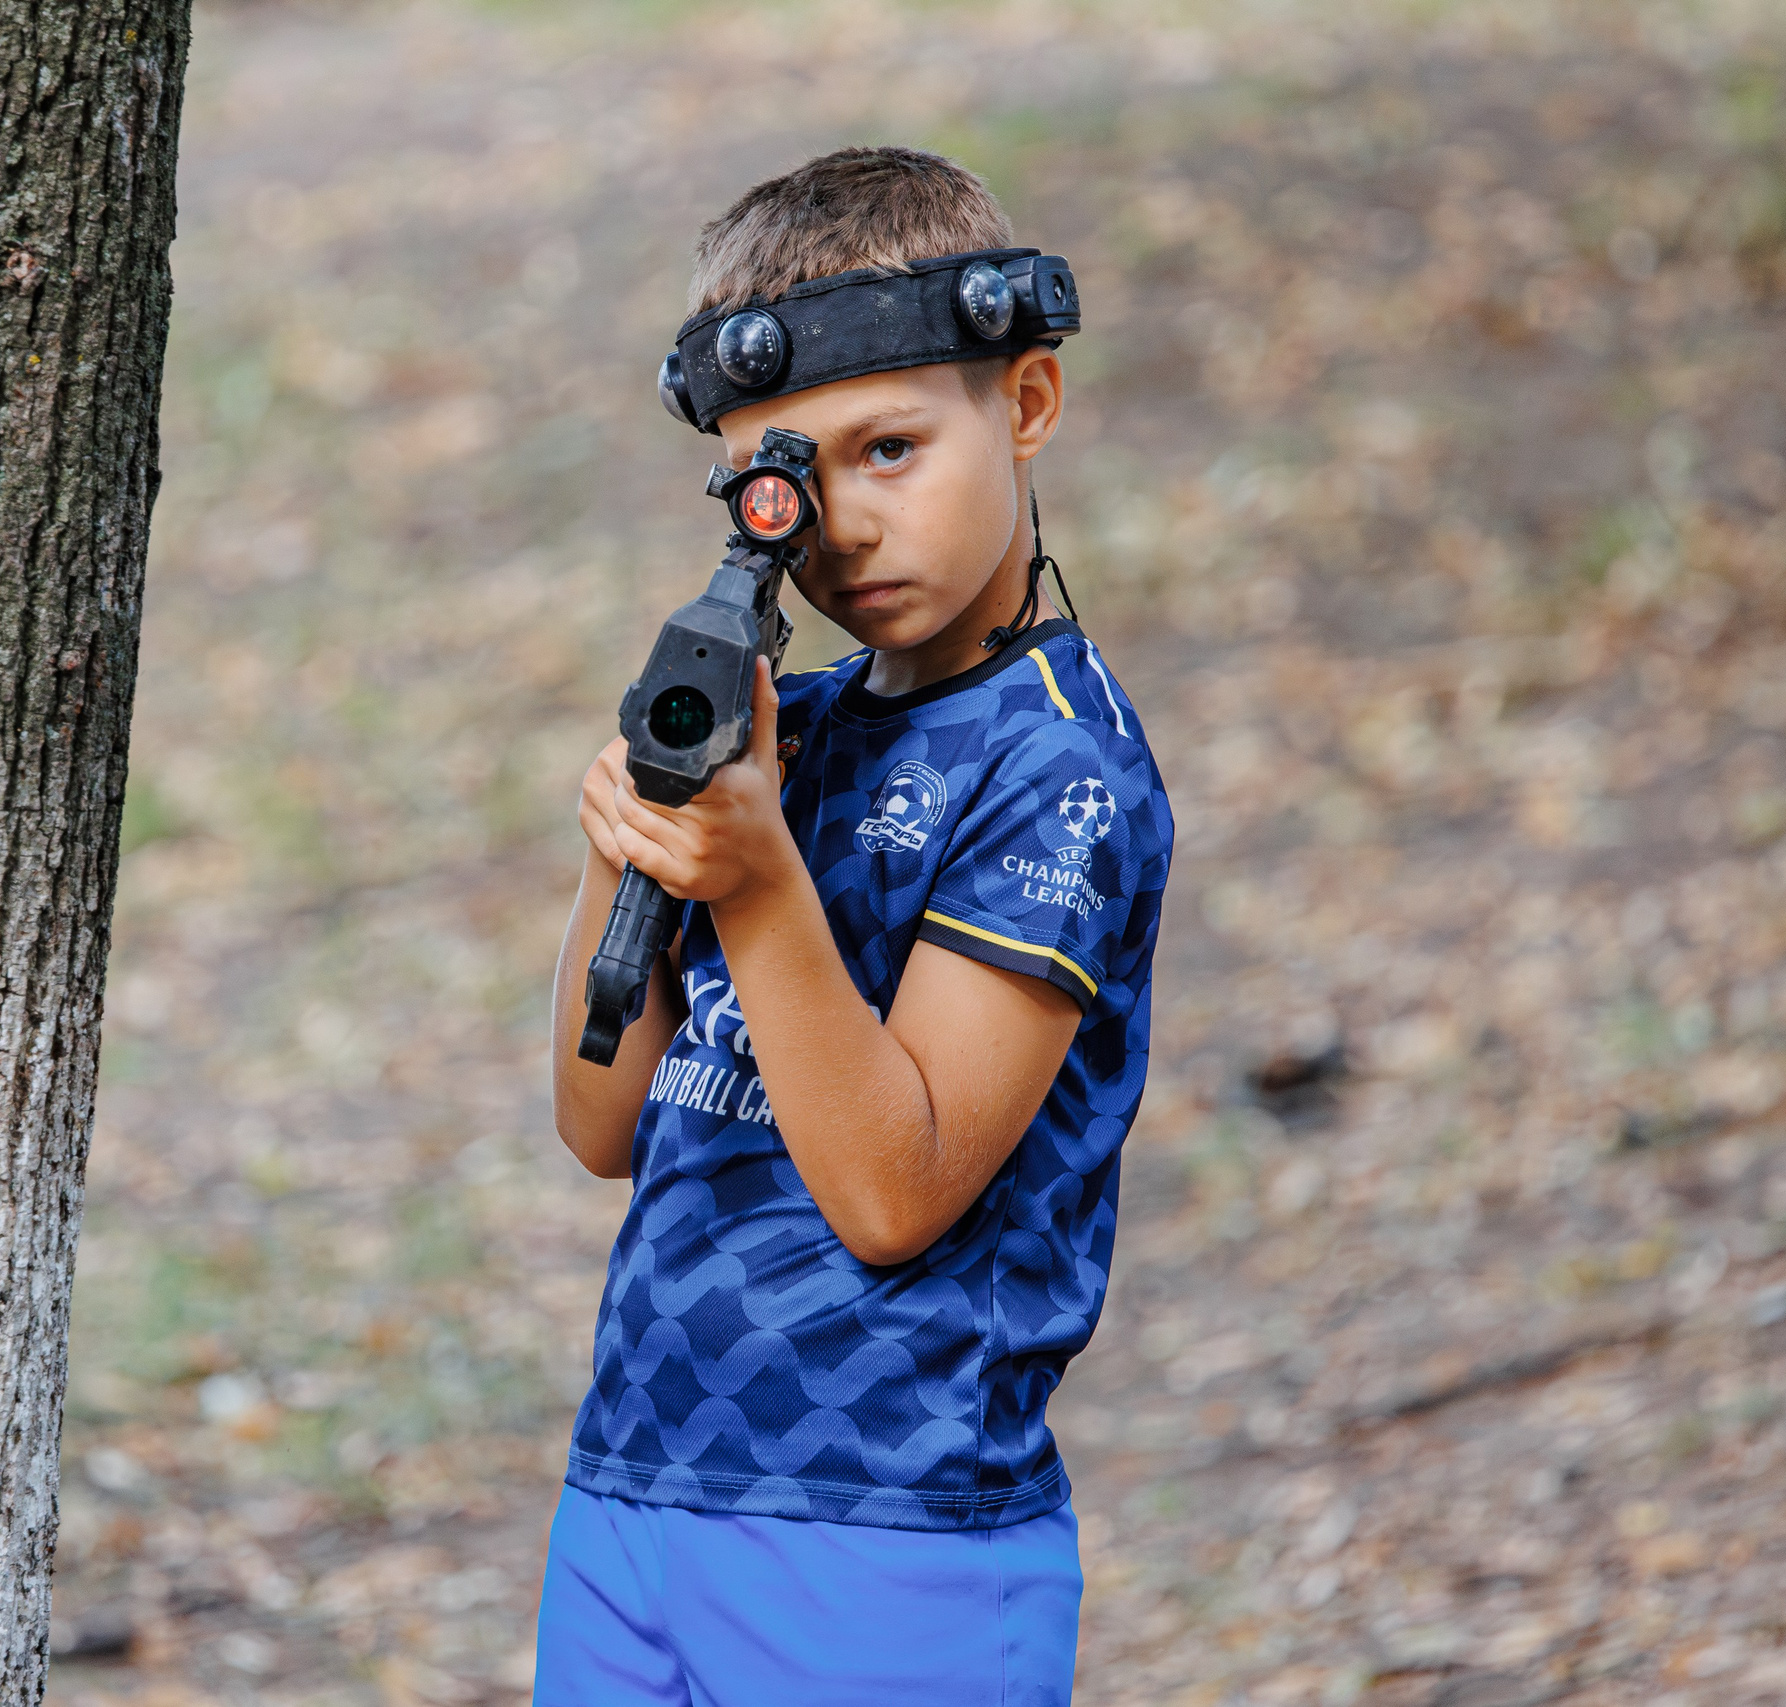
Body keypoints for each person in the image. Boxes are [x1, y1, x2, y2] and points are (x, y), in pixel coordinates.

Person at [539, 146, 1173, 1705]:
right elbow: (599, 1119)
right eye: (795, 480)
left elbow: (897, 1192)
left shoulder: (1056, 769)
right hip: (634, 1496)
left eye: (893, 448)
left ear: (1025, 405)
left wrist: (754, 883)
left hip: (893, 1536)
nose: (848, 523)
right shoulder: (788, 733)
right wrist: (632, 838)